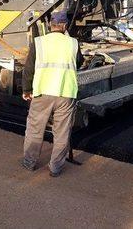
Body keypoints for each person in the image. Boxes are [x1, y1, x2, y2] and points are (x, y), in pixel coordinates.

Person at [21, 11, 83, 177]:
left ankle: (29, 163)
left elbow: (28, 69)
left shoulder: (39, 42)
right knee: (61, 132)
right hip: (66, 93)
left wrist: (26, 90)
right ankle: (55, 168)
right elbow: (79, 62)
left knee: (35, 129)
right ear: (64, 25)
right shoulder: (73, 43)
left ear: (50, 25)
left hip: (42, 92)